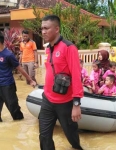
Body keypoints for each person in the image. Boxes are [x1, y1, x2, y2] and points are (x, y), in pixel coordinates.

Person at [39, 15, 84, 150]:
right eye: (42, 28)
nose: (43, 32)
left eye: (46, 28)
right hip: (47, 100)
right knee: (44, 136)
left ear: (57, 29)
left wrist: (76, 104)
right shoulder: (48, 48)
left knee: (71, 135)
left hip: (65, 102)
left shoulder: (69, 47)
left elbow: (76, 75)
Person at [0, 32, 36, 122]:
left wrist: (30, 80)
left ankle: (20, 123)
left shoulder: (8, 55)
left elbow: (19, 68)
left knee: (13, 107)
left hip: (7, 85)